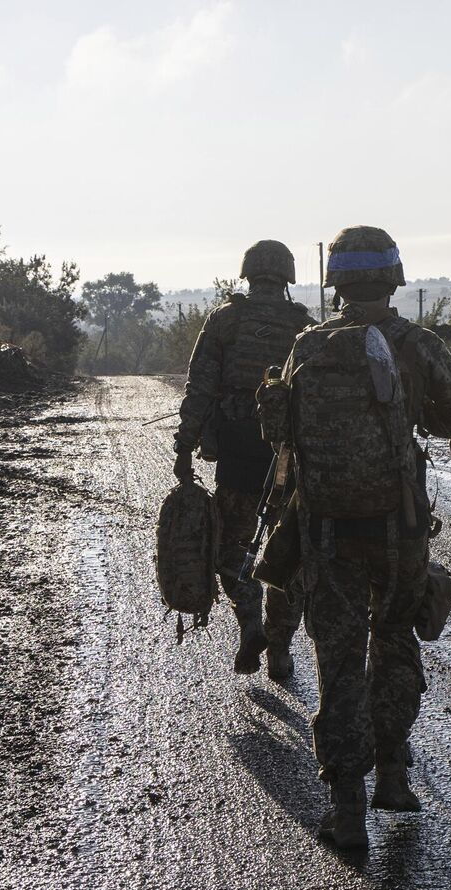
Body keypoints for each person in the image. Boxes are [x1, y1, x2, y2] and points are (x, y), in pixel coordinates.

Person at [268, 226, 451, 850]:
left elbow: (282, 433)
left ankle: (347, 810)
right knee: (395, 639)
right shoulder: (416, 343)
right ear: (393, 277)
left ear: (336, 282)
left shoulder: (307, 345)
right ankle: (393, 773)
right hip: (399, 526)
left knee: (337, 660)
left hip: (327, 527)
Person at [173, 241, 313, 680]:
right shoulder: (304, 327)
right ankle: (280, 649)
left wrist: (185, 446)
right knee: (287, 553)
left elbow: (200, 388)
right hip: (289, 455)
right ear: (287, 276)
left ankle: (250, 620)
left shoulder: (225, 320)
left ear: (248, 273)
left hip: (237, 452)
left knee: (231, 546)